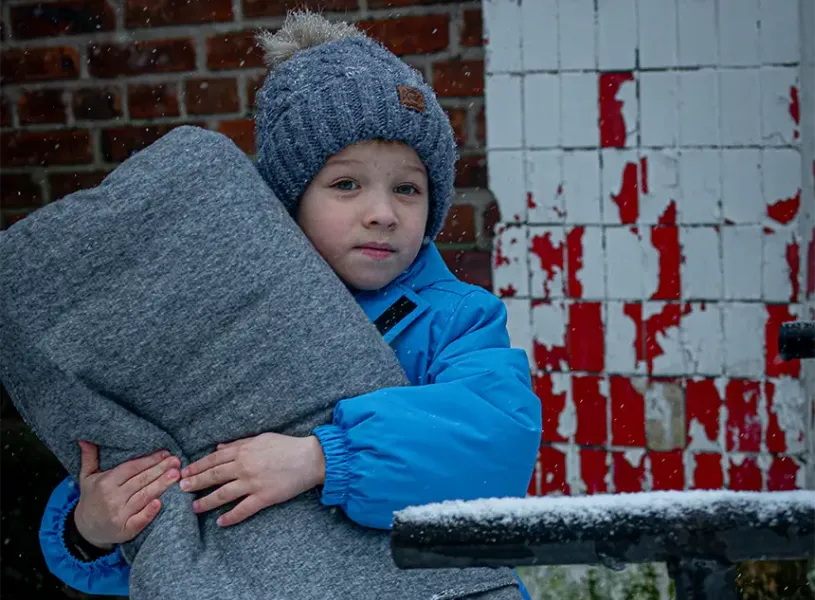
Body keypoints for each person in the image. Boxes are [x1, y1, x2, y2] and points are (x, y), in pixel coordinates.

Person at [37, 11, 542, 599]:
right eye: (347, 184)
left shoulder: (454, 318)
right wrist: (89, 532)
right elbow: (169, 486)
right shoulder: (214, 316)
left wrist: (323, 459)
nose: (383, 213)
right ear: (287, 202)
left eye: (407, 188)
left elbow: (496, 441)